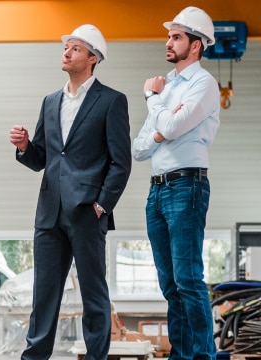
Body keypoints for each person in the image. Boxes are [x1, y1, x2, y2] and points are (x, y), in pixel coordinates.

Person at [9, 24, 131, 360]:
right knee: (44, 295)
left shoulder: (111, 101)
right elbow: (42, 159)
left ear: (93, 58)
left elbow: (121, 163)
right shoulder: (50, 102)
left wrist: (101, 206)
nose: (66, 52)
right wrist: (24, 147)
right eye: (66, 47)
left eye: (75, 48)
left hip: (87, 212)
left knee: (94, 296)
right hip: (49, 213)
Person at [131, 6, 220, 360]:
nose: (168, 42)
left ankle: (202, 356)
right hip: (157, 189)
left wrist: (153, 102)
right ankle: (181, 355)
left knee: (188, 279)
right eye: (169, 36)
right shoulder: (167, 88)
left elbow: (168, 128)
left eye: (176, 37)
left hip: (187, 187)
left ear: (196, 45)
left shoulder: (204, 84)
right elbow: (139, 147)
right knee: (170, 285)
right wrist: (162, 121)